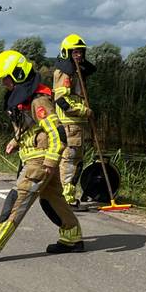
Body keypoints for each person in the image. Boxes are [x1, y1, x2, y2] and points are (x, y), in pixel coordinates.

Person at [0, 50, 82, 260]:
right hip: (36, 158)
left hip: (39, 161)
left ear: (18, 75)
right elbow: (31, 128)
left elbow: (58, 134)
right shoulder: (28, 99)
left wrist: (50, 161)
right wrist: (15, 141)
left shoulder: (39, 101)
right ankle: (72, 237)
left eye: (6, 79)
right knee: (53, 200)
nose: (4, 84)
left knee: (17, 200)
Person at [52, 35, 94, 208]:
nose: (79, 55)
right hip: (70, 124)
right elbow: (61, 100)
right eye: (75, 52)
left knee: (74, 160)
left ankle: (64, 195)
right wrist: (83, 110)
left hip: (76, 124)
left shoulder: (75, 71)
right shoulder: (65, 73)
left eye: (80, 52)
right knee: (70, 161)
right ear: (67, 53)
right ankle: (66, 198)